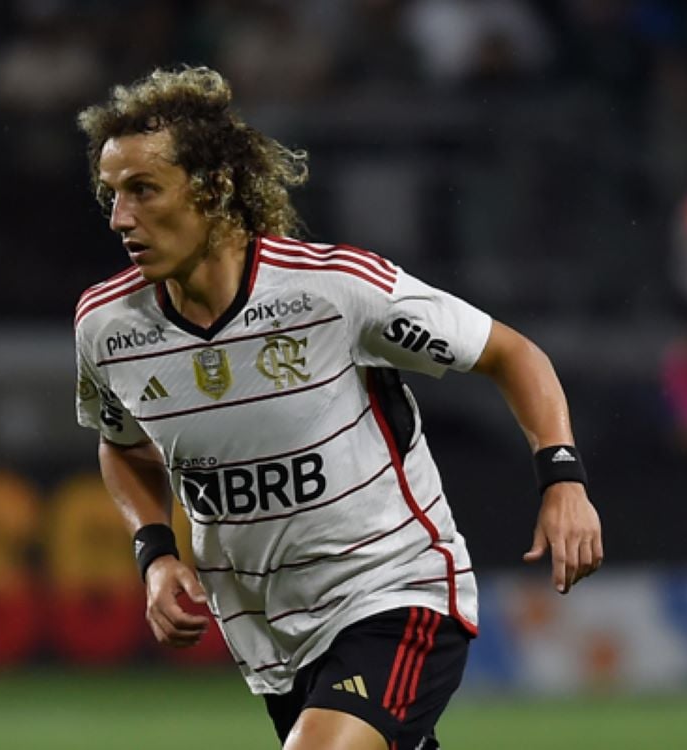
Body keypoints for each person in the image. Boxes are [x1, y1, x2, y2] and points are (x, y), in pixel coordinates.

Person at [73, 66, 603, 750]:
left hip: (393, 592)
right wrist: (155, 553)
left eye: (143, 191)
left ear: (216, 186)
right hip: (268, 632)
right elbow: (120, 444)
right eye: (111, 195)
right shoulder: (107, 327)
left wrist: (562, 479)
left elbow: (512, 354)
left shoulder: (332, 292)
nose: (121, 219)